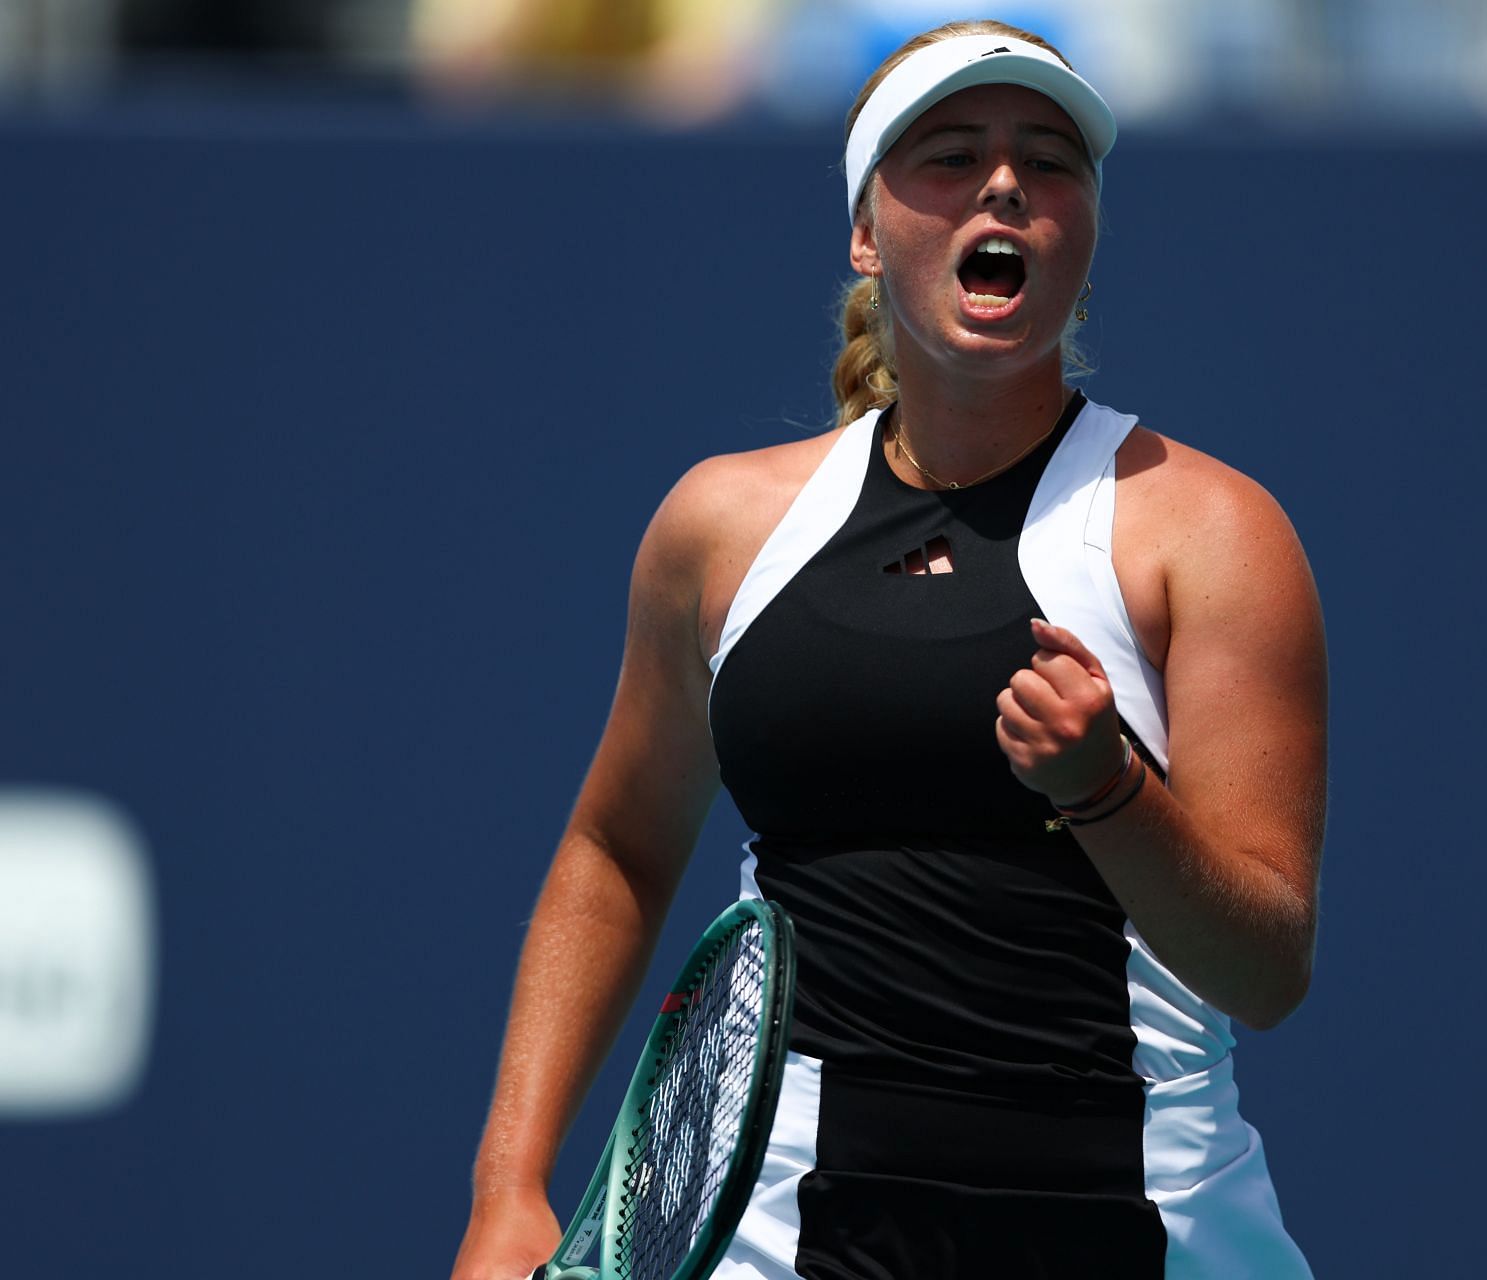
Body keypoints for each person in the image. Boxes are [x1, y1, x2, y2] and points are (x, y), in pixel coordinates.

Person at [450, 19, 1327, 1280]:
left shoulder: (1213, 534)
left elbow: (1267, 965)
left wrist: (1109, 792)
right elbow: (618, 846)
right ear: (867, 235)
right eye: (951, 154)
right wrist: (509, 1187)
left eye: (1050, 160)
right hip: (788, 1237)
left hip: (1140, 1232)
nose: (1007, 183)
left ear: (1084, 232)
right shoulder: (723, 529)